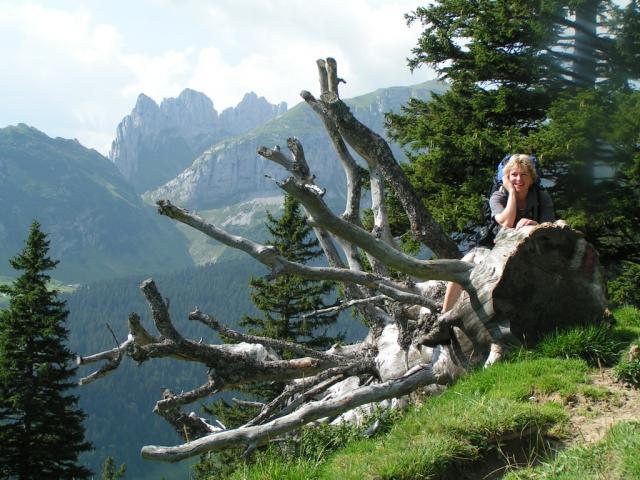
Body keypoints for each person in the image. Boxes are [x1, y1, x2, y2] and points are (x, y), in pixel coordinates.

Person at [441, 154, 557, 313]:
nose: (519, 179)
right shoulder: (498, 196)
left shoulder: (541, 198)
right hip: (493, 246)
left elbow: (550, 227)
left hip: (529, 250)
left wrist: (534, 225)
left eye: (524, 174)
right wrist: (512, 193)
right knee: (463, 264)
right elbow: (506, 222)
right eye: (514, 174)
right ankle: (444, 314)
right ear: (506, 177)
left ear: (532, 178)